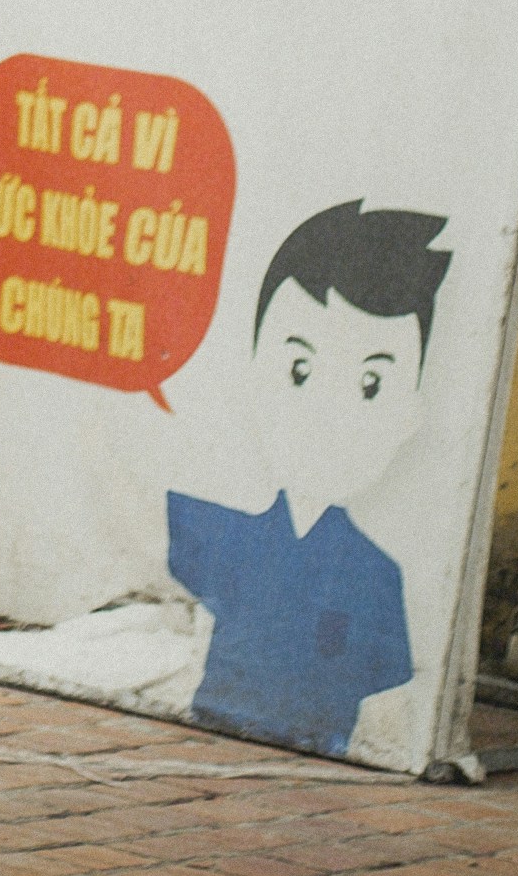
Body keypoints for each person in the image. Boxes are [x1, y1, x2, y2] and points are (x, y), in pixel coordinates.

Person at [165, 200, 458, 760]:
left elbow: (386, 685)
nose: (330, 412)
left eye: (371, 383)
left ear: (409, 414)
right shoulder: (213, 525)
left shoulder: (376, 573)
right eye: (300, 370)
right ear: (253, 376)